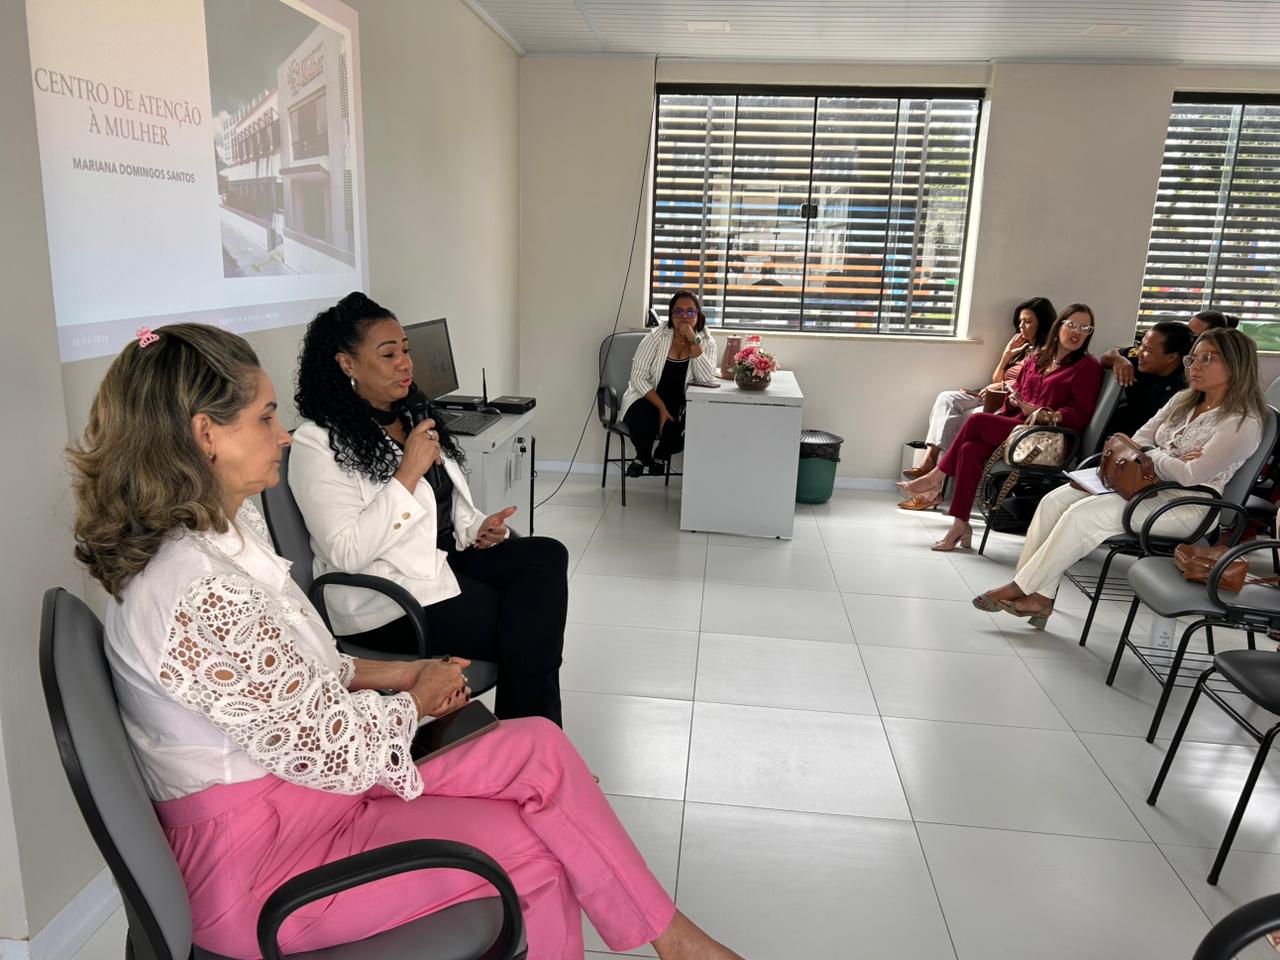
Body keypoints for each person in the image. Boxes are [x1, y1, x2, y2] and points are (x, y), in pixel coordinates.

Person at [68, 323, 744, 960]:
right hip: (268, 864)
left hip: (300, 802)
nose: (281, 435)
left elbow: (304, 669)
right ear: (206, 435)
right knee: (538, 848)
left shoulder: (217, 536)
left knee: (538, 745)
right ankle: (676, 941)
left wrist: (405, 676)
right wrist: (418, 699)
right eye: (266, 417)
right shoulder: (199, 591)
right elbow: (333, 750)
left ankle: (673, 938)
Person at [290, 292, 565, 725]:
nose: (405, 364)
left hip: (443, 559)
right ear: (347, 364)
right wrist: (407, 473)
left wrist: (476, 526)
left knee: (546, 555)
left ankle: (527, 741)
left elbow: (442, 503)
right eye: (388, 354)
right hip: (387, 596)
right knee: (530, 631)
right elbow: (346, 552)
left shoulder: (412, 415)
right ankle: (534, 738)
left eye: (406, 350)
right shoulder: (318, 442)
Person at [973, 328, 1267, 629]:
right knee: (1053, 501)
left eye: (1207, 358)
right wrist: (1166, 457)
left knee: (1082, 515)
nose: (1194, 366)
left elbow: (1190, 476)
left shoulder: (1242, 423)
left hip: (1187, 505)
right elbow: (1138, 440)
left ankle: (1022, 587)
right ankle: (1041, 597)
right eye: (1192, 358)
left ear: (1235, 364)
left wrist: (1153, 456)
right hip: (1145, 486)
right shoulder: (1183, 400)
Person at [897, 304, 1103, 551]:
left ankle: (935, 477)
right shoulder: (1037, 358)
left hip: (1046, 439)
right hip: (1019, 427)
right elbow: (1019, 392)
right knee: (969, 450)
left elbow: (1081, 413)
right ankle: (960, 524)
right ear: (1059, 326)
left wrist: (1044, 413)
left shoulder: (1088, 366)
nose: (1078, 332)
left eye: (1085, 328)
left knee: (976, 420)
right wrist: (1015, 400)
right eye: (1073, 325)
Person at [904, 296, 1056, 479]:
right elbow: (996, 377)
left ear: (1043, 323)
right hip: (994, 392)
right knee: (947, 398)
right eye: (1020, 322)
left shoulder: (1048, 354)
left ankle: (940, 475)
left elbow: (1031, 384)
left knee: (971, 417)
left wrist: (1002, 385)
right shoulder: (1022, 348)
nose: (1021, 326)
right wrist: (1006, 356)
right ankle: (929, 460)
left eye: (1028, 322)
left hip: (1009, 401)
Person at [621, 290, 718, 477]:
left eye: (690, 312)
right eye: (678, 312)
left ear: (698, 315)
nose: (684, 317)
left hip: (679, 403)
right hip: (648, 396)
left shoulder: (707, 341)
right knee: (643, 416)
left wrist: (692, 340)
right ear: (671, 315)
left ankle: (660, 455)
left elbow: (705, 378)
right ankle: (643, 455)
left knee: (689, 424)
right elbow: (637, 376)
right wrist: (661, 408)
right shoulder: (657, 336)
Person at [1097, 320, 1193, 436]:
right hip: (1127, 427)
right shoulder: (1139, 360)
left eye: (1147, 350)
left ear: (1171, 357)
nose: (1139, 352)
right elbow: (1108, 355)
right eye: (1141, 345)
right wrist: (1118, 360)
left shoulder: (1186, 387)